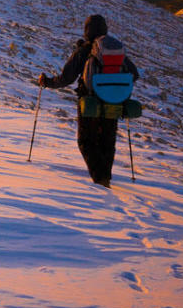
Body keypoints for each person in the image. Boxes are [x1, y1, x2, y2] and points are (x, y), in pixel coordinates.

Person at [37, 14, 139, 188]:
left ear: (87, 31)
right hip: (114, 100)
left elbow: (66, 78)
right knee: (107, 140)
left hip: (90, 101)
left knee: (86, 140)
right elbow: (134, 74)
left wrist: (47, 82)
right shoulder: (113, 50)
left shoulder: (85, 50)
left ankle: (100, 182)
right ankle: (105, 178)